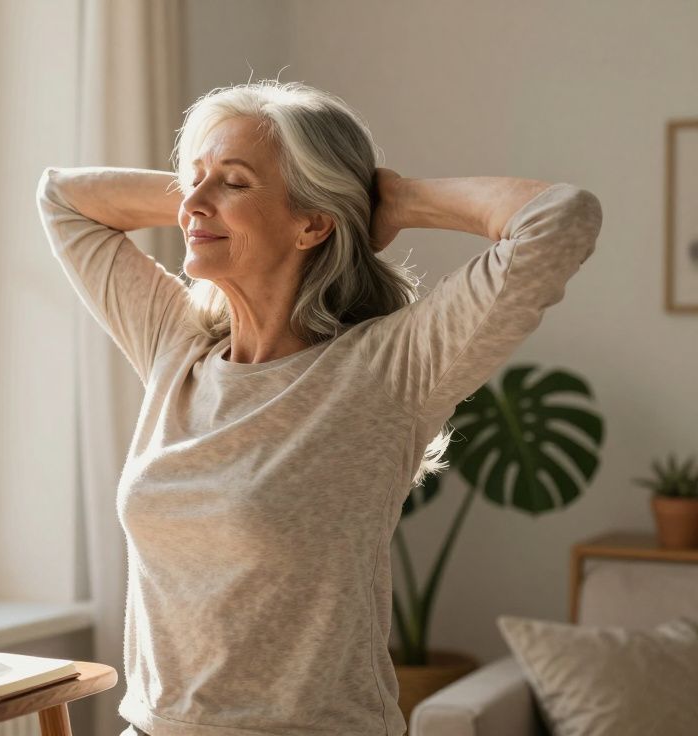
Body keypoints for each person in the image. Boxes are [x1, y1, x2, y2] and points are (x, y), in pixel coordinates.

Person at [35, 80, 603, 736]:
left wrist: (391, 199)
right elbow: (64, 199)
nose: (191, 201)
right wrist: (212, 198)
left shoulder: (388, 368)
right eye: (194, 179)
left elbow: (563, 219)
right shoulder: (177, 345)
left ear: (313, 221)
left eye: (235, 182)